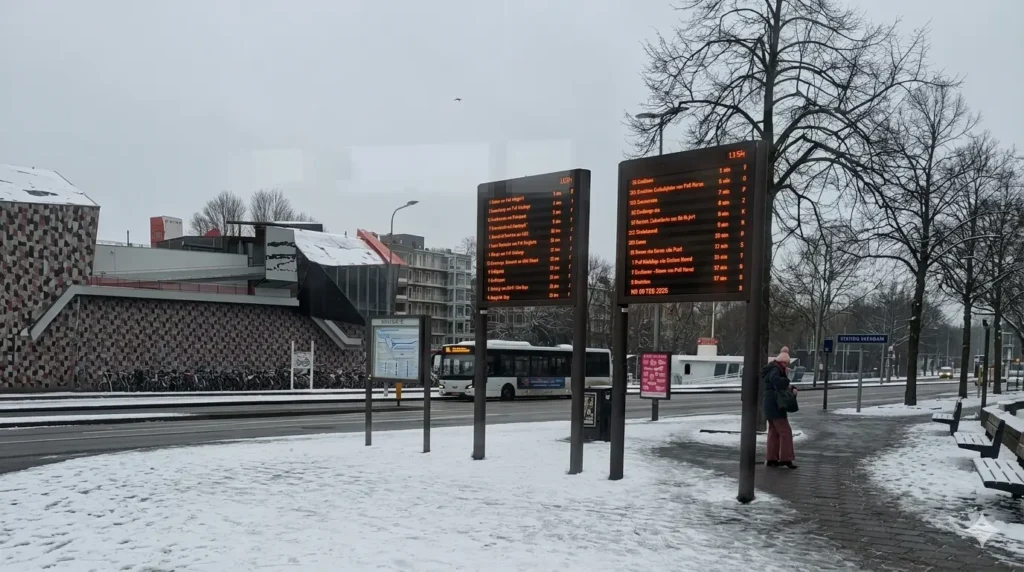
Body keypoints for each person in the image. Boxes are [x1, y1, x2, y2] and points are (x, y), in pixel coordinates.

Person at [762, 347, 798, 469]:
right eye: (785, 363)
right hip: (775, 405)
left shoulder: (772, 368)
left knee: (774, 432)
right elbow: (776, 380)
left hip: (769, 404)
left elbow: (774, 384)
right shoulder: (776, 369)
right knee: (785, 432)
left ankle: (772, 458)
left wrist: (789, 386)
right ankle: (785, 459)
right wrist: (786, 380)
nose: (786, 366)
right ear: (782, 362)